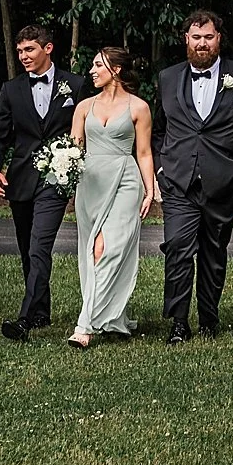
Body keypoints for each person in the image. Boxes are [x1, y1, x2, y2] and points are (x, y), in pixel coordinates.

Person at [150, 9, 233, 344]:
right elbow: (159, 130)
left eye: (209, 37)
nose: (203, 44)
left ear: (219, 39)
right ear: (186, 39)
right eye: (196, 37)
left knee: (214, 253)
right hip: (178, 181)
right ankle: (177, 321)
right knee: (177, 246)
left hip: (226, 182)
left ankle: (209, 318)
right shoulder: (168, 78)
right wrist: (162, 167)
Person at [0, 24, 86, 341]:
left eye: (29, 49)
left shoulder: (76, 85)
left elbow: (88, 128)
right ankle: (41, 310)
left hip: (57, 178)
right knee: (28, 248)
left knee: (40, 245)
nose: (23, 56)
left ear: (48, 48)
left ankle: (25, 319)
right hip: (21, 178)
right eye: (19, 51)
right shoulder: (11, 89)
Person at [68, 47, 157, 349]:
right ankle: (112, 317)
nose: (92, 70)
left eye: (97, 65)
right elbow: (74, 150)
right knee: (90, 250)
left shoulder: (139, 107)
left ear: (116, 69)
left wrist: (150, 189)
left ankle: (86, 323)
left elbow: (143, 152)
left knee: (106, 249)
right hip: (91, 183)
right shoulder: (83, 107)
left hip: (125, 180)